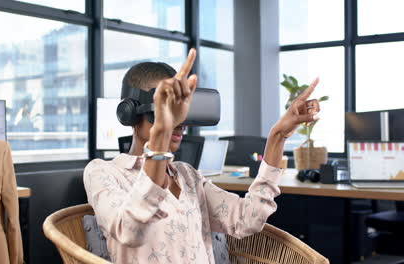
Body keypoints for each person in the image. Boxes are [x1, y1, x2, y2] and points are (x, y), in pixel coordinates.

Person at [83, 48, 321, 263]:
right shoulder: (103, 172)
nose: (179, 121)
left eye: (181, 109)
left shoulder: (187, 176)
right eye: (168, 108)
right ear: (130, 113)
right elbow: (130, 231)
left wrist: (277, 137)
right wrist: (161, 135)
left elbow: (247, 219)